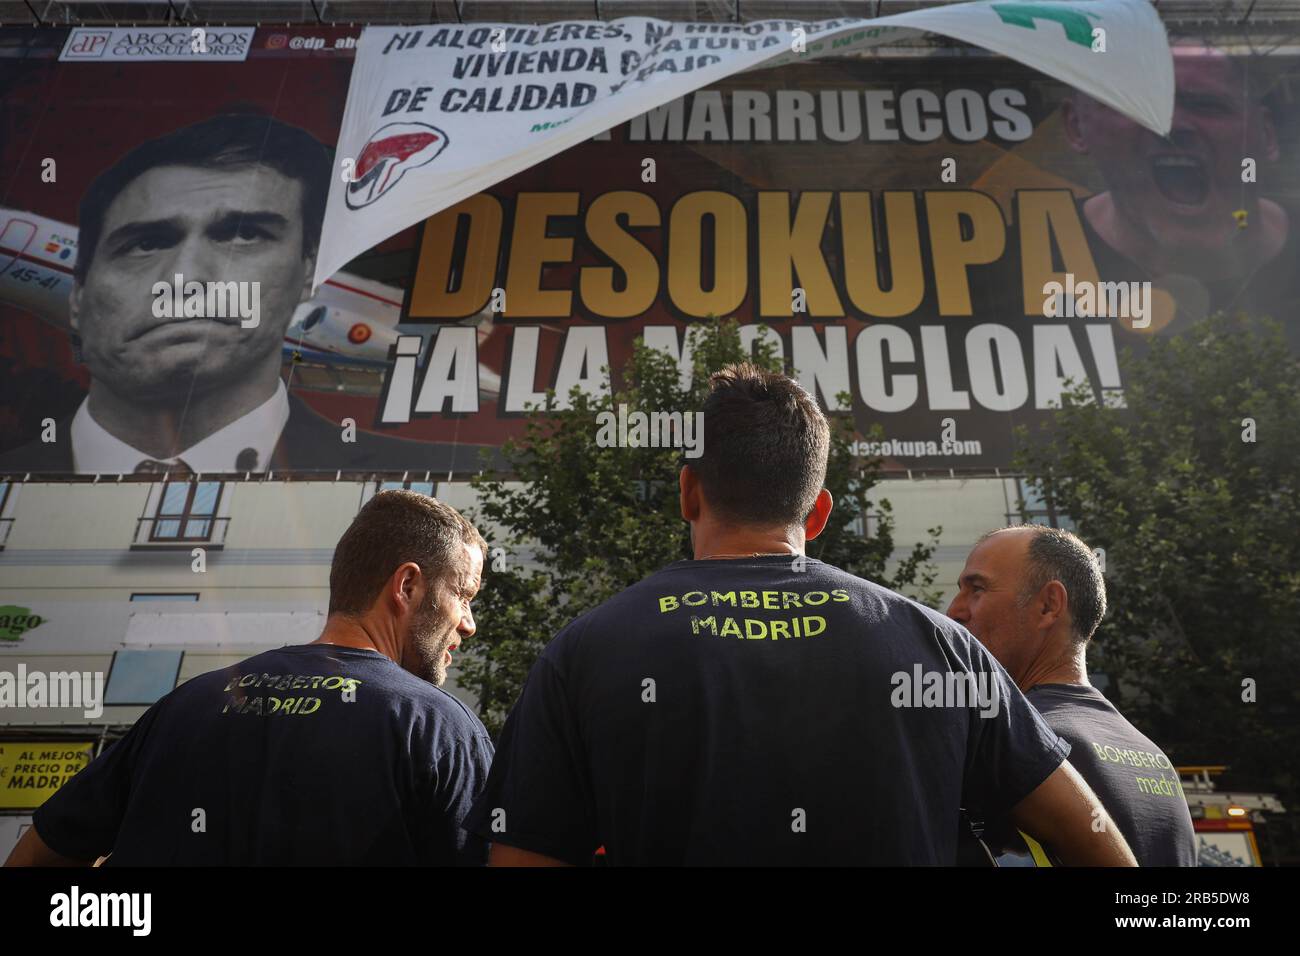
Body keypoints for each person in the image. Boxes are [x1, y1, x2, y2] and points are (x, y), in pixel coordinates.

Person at [463, 363, 1136, 866]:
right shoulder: (940, 647)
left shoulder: (585, 651)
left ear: (689, 492)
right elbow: (1098, 844)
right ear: (817, 511)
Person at [4, 490, 492, 866]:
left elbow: (37, 856)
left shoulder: (184, 705)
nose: (468, 623)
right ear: (406, 585)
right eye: (464, 594)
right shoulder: (439, 729)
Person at [0, 113, 421, 475]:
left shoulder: (394, 465)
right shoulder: (19, 473)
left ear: (306, 271)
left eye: (243, 235)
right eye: (146, 244)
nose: (183, 278)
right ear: (78, 295)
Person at [947, 525, 1197, 866]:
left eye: (977, 589)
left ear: (1049, 605)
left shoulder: (1005, 741)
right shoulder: (1155, 759)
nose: (954, 611)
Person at [1062, 42, 1299, 347]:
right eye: (1135, 104)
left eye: (1207, 105)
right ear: (1076, 127)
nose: (1171, 126)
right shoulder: (1012, 266)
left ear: (1266, 133)